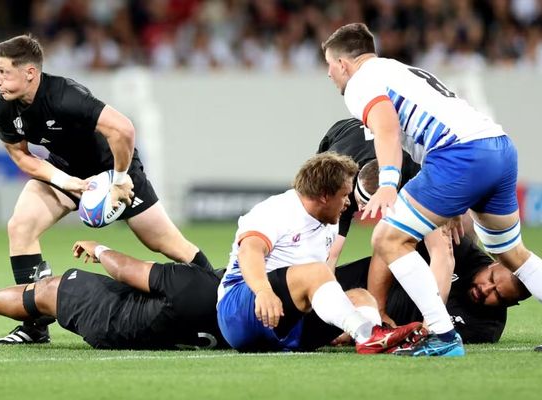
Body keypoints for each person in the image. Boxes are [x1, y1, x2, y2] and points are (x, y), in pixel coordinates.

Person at [322, 22, 542, 356]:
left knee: (387, 238)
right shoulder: (398, 69)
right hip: (498, 147)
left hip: (460, 155)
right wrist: (449, 202)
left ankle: (442, 336)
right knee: (513, 255)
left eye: (329, 66)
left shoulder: (360, 82)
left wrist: (387, 184)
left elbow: (387, 129)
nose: (329, 75)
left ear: (342, 64)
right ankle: (441, 334)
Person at [0, 34, 213, 344]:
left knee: (166, 243)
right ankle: (34, 325)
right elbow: (20, 156)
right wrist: (64, 182)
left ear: (30, 72)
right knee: (21, 226)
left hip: (113, 170)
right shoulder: (4, 108)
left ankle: (219, 290)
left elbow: (123, 129)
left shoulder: (65, 96)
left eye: (4, 72)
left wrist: (121, 177)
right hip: (68, 170)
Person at [216, 152, 423, 354]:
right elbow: (249, 251)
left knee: (362, 298)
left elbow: (320, 286)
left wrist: (341, 320)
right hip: (242, 311)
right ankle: (369, 335)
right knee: (316, 271)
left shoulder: (328, 225)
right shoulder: (277, 210)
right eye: (344, 195)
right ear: (324, 195)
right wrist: (263, 291)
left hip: (290, 323)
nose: (348, 202)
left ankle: (373, 338)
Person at [0, 243, 226, 350]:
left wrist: (99, 250)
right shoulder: (255, 321)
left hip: (116, 319)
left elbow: (126, 271)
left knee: (52, 289)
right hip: (158, 331)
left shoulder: (193, 283)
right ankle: (41, 315)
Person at [299, 231, 531, 351]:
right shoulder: (457, 250)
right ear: (493, 263)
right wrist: (376, 310)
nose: (485, 289)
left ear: (510, 304)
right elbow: (386, 243)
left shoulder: (485, 328)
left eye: (497, 295)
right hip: (351, 283)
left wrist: (367, 329)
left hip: (368, 328)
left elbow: (423, 337)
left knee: (295, 334)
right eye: (490, 278)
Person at [316, 118, 420, 268]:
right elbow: (332, 254)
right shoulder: (334, 174)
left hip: (393, 147)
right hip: (346, 133)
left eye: (370, 208)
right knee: (326, 244)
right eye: (361, 203)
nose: (360, 212)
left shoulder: (414, 172)